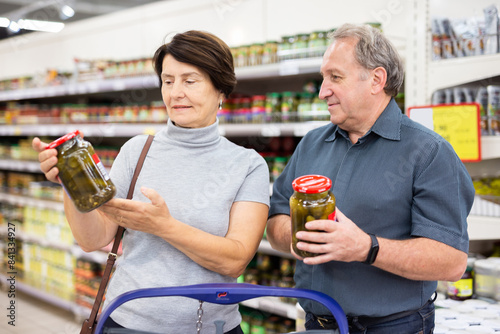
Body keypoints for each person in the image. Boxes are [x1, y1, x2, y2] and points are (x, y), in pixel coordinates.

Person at [32, 30, 270, 334]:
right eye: (168, 81)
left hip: (212, 327)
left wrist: (163, 226)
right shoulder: (137, 150)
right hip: (128, 322)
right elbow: (93, 239)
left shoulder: (248, 165)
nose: (175, 93)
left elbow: (235, 260)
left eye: (190, 81)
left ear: (221, 88)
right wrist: (71, 183)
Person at [267, 23, 475, 333]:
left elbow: (451, 262)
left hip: (395, 326)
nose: (323, 91)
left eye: (335, 77)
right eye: (323, 78)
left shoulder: (429, 152)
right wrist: (299, 238)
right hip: (317, 324)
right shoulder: (311, 144)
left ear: (377, 79)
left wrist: (366, 248)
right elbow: (276, 220)